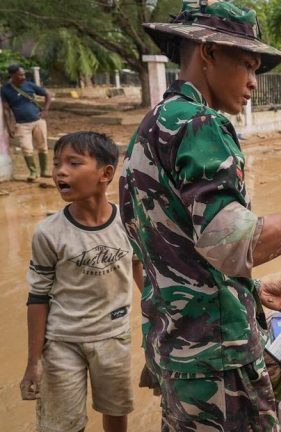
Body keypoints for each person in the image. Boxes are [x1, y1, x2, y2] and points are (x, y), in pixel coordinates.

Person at [119, 2, 281, 430]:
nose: (254, 82)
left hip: (175, 350)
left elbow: (174, 251)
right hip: (218, 360)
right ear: (209, 52)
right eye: (248, 65)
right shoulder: (200, 124)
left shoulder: (151, 129)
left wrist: (248, 290)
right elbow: (236, 244)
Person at [21, 132, 143, 432]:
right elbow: (38, 297)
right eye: (57, 164)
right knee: (60, 424)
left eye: (74, 163)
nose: (60, 171)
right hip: (62, 341)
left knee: (116, 410)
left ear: (106, 173)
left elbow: (144, 274)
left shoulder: (129, 221)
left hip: (114, 336)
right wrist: (33, 362)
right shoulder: (49, 233)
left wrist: (160, 331)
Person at [1, 64, 53, 181]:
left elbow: (48, 94)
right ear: (12, 75)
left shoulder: (29, 84)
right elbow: (6, 110)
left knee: (42, 146)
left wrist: (45, 110)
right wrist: (9, 128)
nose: (23, 77)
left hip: (38, 121)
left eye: (24, 74)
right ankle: (33, 172)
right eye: (20, 75)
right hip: (22, 124)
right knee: (26, 148)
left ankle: (44, 171)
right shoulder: (5, 90)